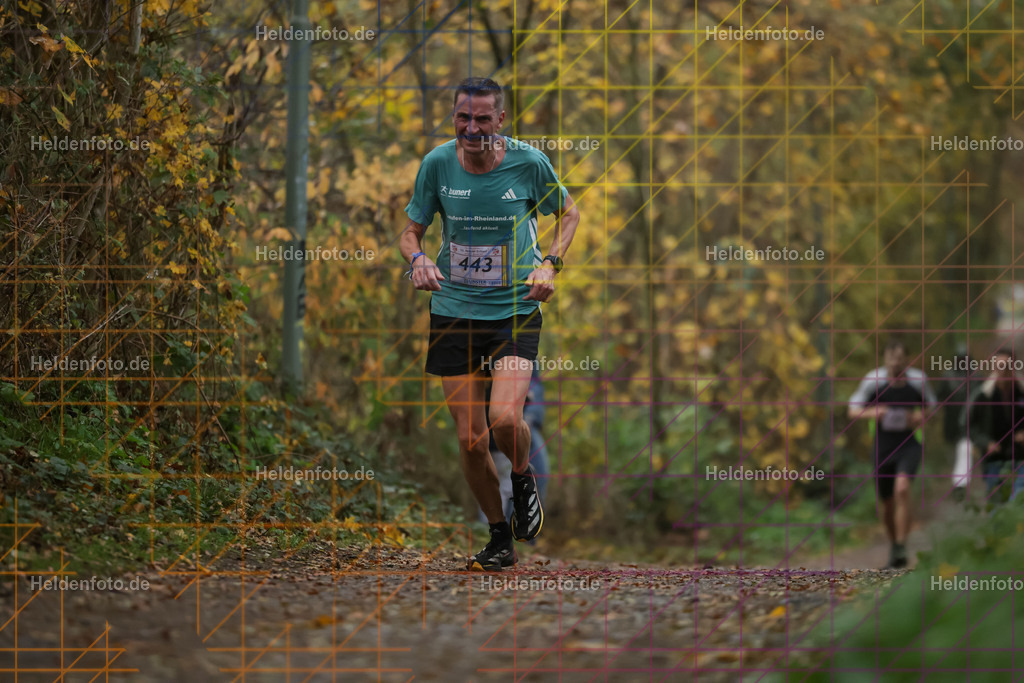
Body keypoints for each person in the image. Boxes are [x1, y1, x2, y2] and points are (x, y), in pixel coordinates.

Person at [399, 77, 580, 571]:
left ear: (500, 120)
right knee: (470, 439)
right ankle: (499, 536)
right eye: (463, 117)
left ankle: (523, 478)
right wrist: (416, 260)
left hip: (515, 310)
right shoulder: (437, 164)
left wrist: (550, 264)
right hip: (454, 310)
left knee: (504, 418)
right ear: (453, 117)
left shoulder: (528, 163)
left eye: (482, 118)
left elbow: (569, 214)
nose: (472, 127)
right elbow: (411, 229)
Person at [848, 339, 938, 569]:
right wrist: (876, 412)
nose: (895, 362)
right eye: (891, 357)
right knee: (887, 504)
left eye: (900, 357)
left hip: (910, 444)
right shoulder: (873, 381)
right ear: (885, 359)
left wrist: (920, 418)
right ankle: (895, 547)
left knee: (903, 489)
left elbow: (932, 406)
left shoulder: (918, 381)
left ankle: (901, 543)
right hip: (882, 446)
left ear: (907, 359)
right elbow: (853, 410)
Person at [478, 369, 550, 527]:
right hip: (498, 437)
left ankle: (515, 532)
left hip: (513, 431)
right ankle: (493, 530)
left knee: (513, 483)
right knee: (500, 485)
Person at [961, 348, 1024, 505]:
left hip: (1021, 457)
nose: (1003, 371)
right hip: (993, 459)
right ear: (993, 367)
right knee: (997, 508)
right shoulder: (982, 394)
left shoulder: (1022, 390)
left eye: (1007, 366)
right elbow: (966, 423)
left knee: (1018, 500)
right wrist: (985, 442)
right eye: (999, 366)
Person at [940, 349, 974, 502]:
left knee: (964, 450)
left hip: (969, 424)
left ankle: (960, 484)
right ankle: (957, 480)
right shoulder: (947, 377)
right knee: (955, 454)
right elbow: (939, 397)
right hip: (951, 423)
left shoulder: (976, 377)